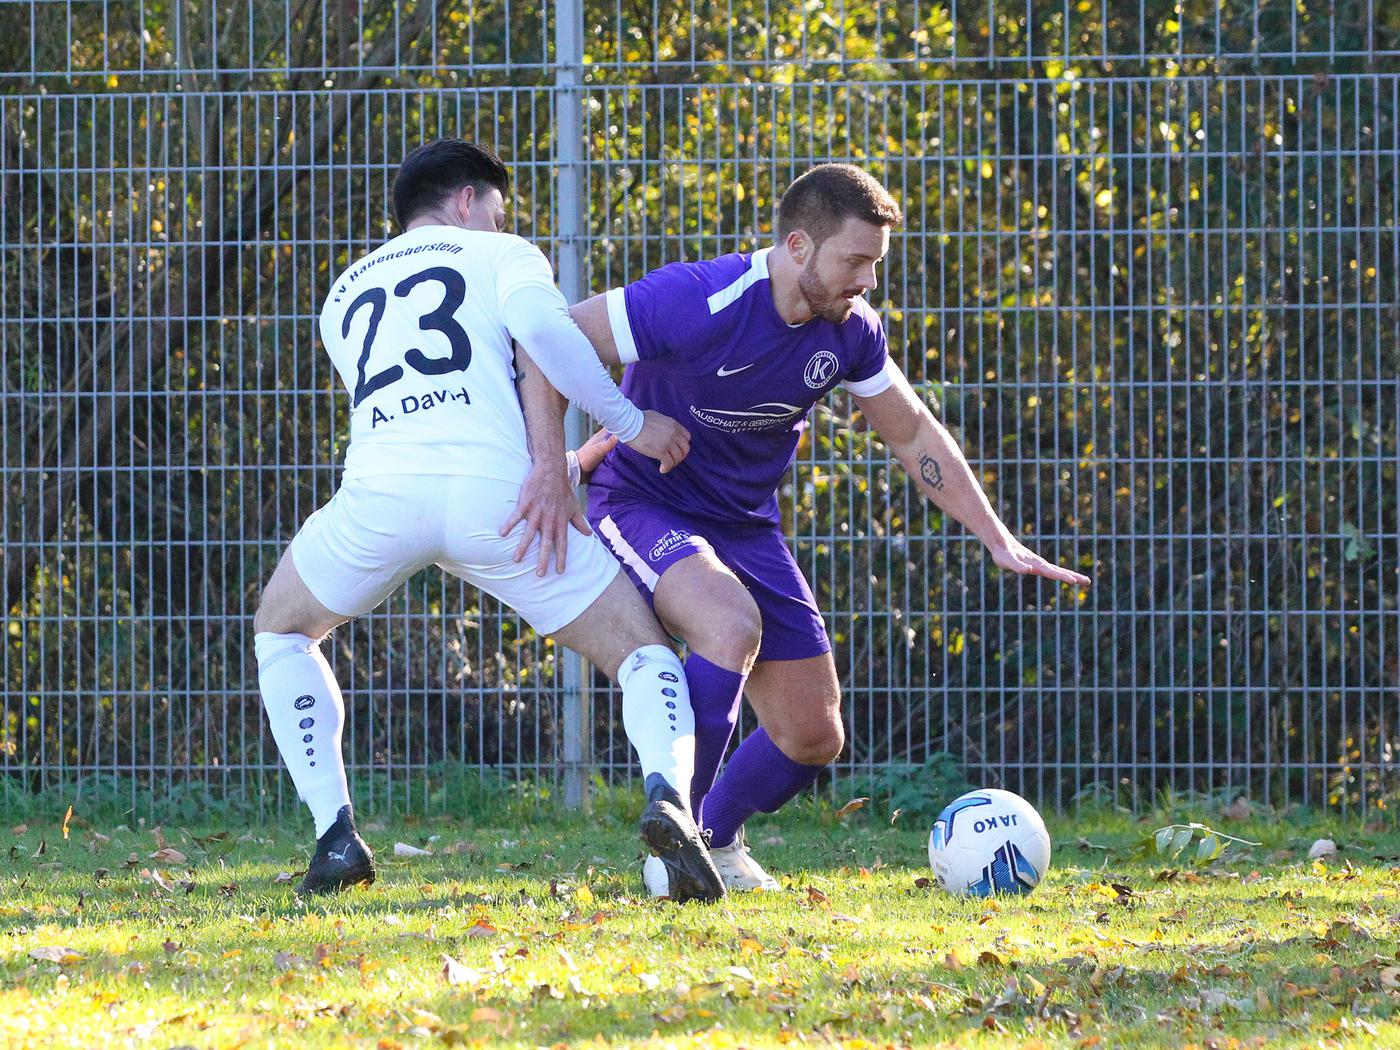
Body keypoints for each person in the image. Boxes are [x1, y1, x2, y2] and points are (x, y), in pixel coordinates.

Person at [564, 163, 1092, 895]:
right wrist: (620, 427)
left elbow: (913, 435)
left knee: (813, 735)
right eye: (856, 261)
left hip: (746, 524)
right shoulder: (697, 298)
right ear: (799, 246)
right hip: (643, 503)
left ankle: (709, 844)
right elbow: (557, 340)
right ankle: (670, 848)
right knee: (727, 624)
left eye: (875, 265)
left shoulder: (851, 333)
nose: (868, 282)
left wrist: (996, 536)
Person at [251, 139, 723, 902]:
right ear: (468, 202)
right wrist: (632, 424)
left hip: (379, 499)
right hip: (503, 506)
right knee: (642, 652)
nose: (502, 220)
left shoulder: (341, 295)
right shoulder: (499, 251)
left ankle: (334, 835)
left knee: (281, 628)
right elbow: (548, 338)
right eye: (497, 207)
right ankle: (670, 801)